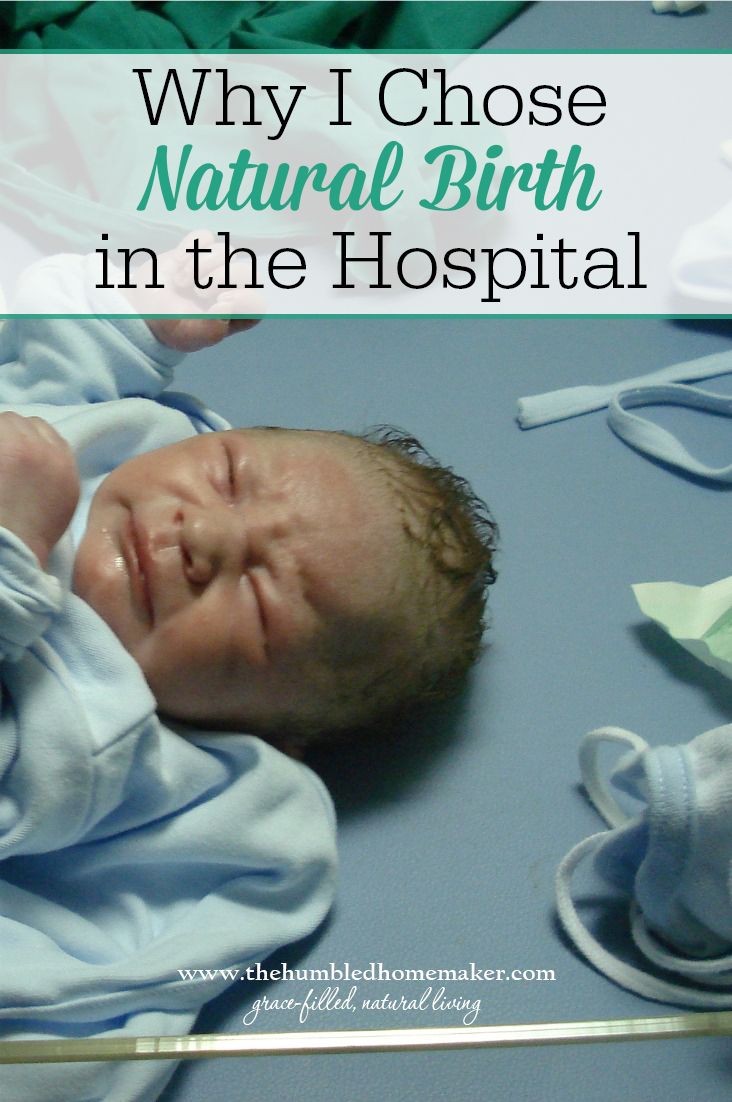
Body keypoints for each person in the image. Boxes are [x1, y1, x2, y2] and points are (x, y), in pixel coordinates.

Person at [2, 241, 498, 756]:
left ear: (262, 732)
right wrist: (137, 323)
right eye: (228, 479)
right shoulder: (126, 442)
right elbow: (49, 359)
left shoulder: (89, 728)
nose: (202, 534)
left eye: (260, 608)